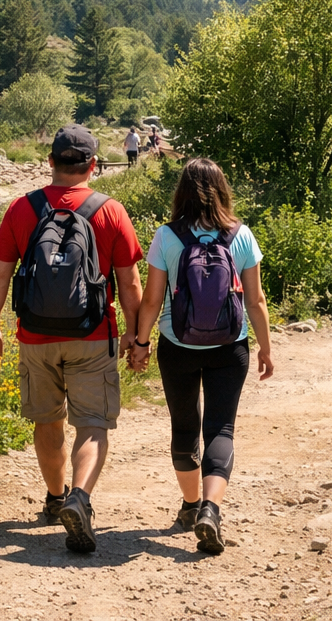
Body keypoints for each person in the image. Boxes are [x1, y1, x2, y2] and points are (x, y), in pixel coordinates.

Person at [0, 124, 144, 554]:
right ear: (93, 165)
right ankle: (80, 497)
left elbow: (0, 273)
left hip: (35, 336)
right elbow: (129, 282)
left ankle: (55, 498)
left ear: (50, 162)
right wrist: (135, 334)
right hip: (92, 334)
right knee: (92, 422)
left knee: (46, 420)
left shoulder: (22, 208)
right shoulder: (110, 211)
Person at [129, 158, 273, 555]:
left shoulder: (167, 236)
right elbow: (256, 300)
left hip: (178, 347)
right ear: (223, 190)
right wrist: (265, 347)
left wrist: (141, 344)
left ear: (182, 192)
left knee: (184, 426)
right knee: (221, 429)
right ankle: (211, 508)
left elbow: (153, 299)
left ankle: (191, 506)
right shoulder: (241, 235)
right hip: (230, 346)